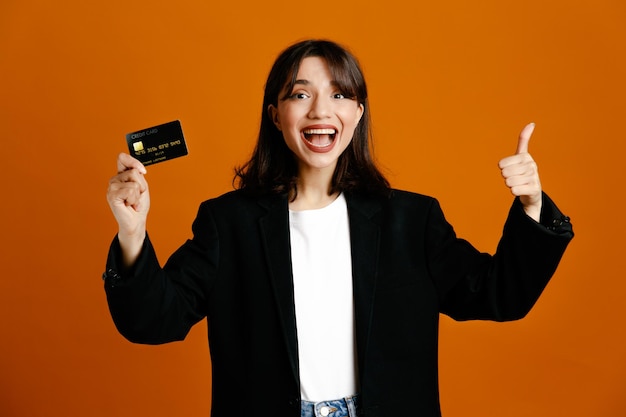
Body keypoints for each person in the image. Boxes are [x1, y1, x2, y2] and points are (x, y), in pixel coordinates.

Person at [103, 39, 573, 417]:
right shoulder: (229, 223)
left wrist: (532, 202)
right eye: (300, 94)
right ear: (275, 115)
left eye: (340, 94)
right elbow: (154, 321)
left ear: (358, 113)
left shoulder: (411, 220)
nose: (320, 111)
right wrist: (132, 232)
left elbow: (498, 296)